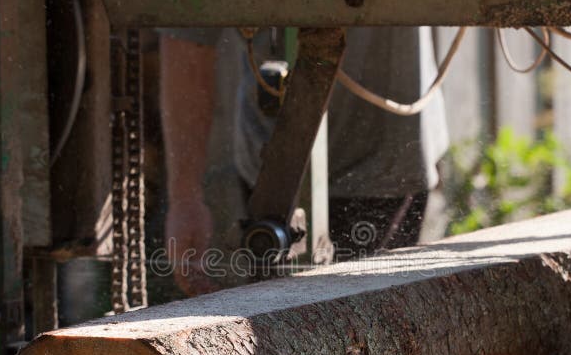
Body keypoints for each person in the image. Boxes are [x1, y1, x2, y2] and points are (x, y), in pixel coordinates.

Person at [160, 27, 450, 296]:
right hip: (273, 165)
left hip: (386, 159)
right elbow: (187, 31)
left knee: (378, 315)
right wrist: (185, 197)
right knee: (276, 317)